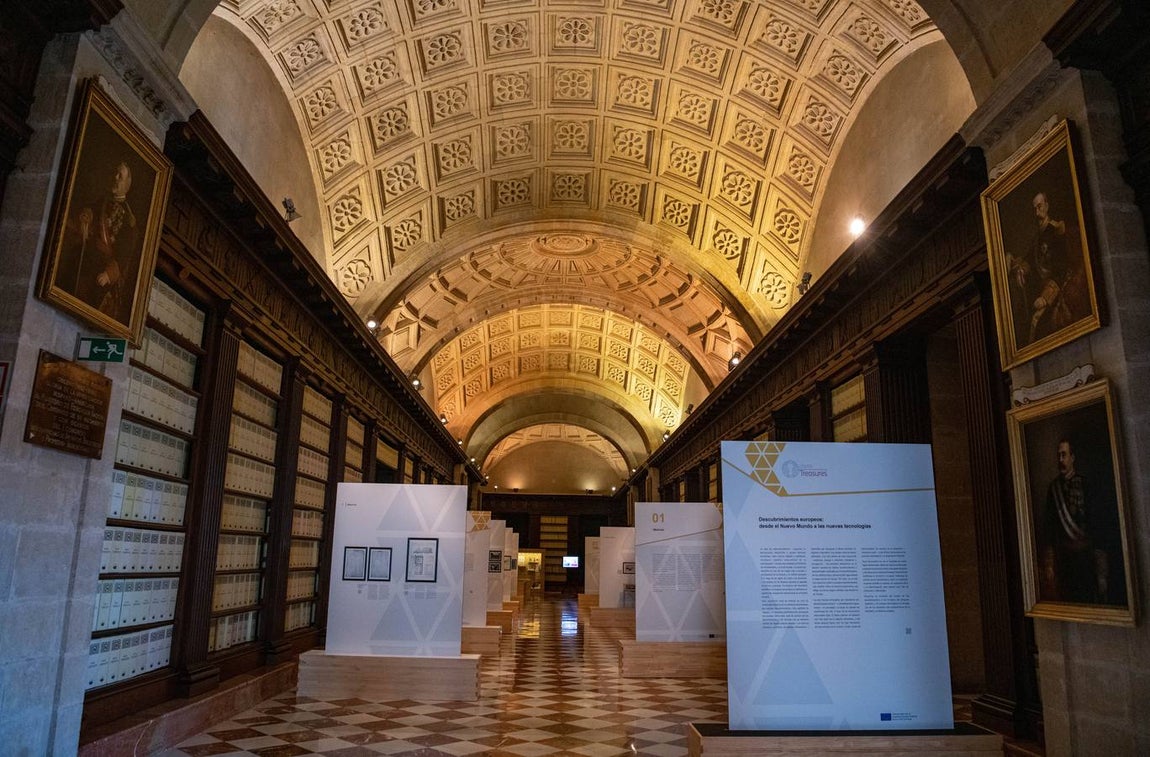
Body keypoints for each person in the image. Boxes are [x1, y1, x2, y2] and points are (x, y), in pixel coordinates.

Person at [60, 159, 139, 323]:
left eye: (120, 176)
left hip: (102, 267)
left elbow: (125, 252)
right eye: (115, 174)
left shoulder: (129, 219)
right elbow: (90, 212)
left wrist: (109, 274)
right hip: (87, 256)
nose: (115, 178)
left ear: (127, 184)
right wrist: (86, 217)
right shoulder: (101, 202)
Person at [1006, 192, 1090, 347]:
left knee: (1040, 323)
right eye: (1034, 208)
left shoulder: (1056, 231)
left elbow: (1062, 267)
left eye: (1040, 206)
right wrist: (1021, 268)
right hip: (1043, 287)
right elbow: (1030, 260)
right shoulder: (1038, 236)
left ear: (1047, 206)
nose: (1037, 211)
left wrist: (1045, 298)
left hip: (1059, 285)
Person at [1041, 438, 1108, 604]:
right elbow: (1049, 528)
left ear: (1072, 457)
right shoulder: (1053, 488)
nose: (1060, 460)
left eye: (1064, 455)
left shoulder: (1086, 485)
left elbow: (1096, 524)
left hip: (1085, 559)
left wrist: (1101, 570)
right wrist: (1049, 564)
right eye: (1058, 456)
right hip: (1064, 561)